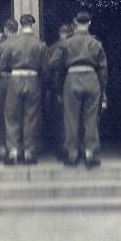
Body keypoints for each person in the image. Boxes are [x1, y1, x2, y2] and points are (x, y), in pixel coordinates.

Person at [49, 11, 108, 169]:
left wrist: (65, 72)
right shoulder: (96, 43)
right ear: (89, 23)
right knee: (91, 119)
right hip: (92, 78)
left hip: (72, 79)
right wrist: (102, 91)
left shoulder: (66, 42)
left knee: (71, 119)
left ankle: (72, 154)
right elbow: (103, 70)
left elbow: (53, 63)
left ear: (75, 23)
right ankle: (90, 154)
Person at [0, 14, 48, 165]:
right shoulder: (40, 44)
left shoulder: (12, 44)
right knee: (31, 117)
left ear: (20, 25)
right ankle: (28, 152)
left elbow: (3, 64)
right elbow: (45, 68)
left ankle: (13, 151)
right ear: (32, 25)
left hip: (15, 79)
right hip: (33, 79)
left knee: (12, 116)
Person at [0, 18, 18, 161]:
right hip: (20, 80)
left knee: (0, 114)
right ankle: (20, 148)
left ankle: (2, 148)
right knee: (20, 114)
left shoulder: (1, 46)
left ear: (6, 30)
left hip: (5, 80)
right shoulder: (21, 44)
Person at [48, 24, 73, 159]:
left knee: (59, 119)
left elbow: (49, 67)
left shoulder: (53, 48)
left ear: (60, 33)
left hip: (57, 86)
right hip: (69, 83)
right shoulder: (72, 45)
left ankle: (61, 149)